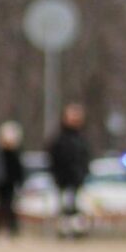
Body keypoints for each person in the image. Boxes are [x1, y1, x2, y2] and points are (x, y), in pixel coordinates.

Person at [47, 102, 92, 238]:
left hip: (78, 179)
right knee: (64, 207)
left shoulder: (82, 139)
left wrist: (84, 173)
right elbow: (53, 159)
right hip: (63, 179)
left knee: (77, 207)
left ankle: (78, 231)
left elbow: (85, 158)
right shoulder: (59, 140)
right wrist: (57, 175)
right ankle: (64, 232)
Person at [0, 121, 26, 238]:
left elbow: (19, 170)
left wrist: (20, 181)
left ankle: (12, 229)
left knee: (10, 206)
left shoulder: (15, 154)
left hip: (10, 183)